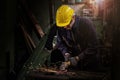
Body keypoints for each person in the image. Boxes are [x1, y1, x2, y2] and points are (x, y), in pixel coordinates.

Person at [54, 5, 101, 71]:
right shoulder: (62, 27)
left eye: (67, 24)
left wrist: (78, 58)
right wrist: (66, 53)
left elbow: (94, 46)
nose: (65, 27)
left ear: (73, 17)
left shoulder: (85, 24)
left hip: (90, 62)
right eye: (63, 25)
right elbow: (60, 43)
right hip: (76, 65)